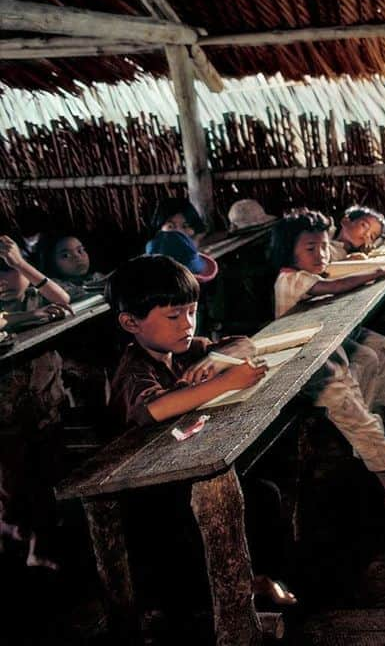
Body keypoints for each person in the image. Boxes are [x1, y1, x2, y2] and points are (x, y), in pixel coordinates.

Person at [105, 254, 296, 606]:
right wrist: (225, 381)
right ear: (131, 322)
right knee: (248, 500)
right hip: (148, 491)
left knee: (265, 489)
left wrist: (213, 359)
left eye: (192, 312)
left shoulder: (180, 351)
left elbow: (245, 344)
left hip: (182, 468)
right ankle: (235, 590)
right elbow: (154, 409)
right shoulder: (133, 370)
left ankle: (260, 578)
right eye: (174, 316)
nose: (187, 324)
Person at [269, 210, 385, 509]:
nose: (322, 254)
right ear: (288, 251)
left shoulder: (309, 271)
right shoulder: (289, 279)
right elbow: (330, 286)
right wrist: (378, 272)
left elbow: (332, 275)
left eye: (324, 246)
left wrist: (367, 267)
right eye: (311, 248)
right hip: (302, 370)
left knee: (372, 352)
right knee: (354, 410)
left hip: (322, 351)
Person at [0, 233, 73, 571]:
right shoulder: (21, 312)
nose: (2, 282)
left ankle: (37, 544)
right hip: (7, 418)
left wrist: (20, 262)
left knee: (48, 474)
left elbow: (64, 299)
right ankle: (23, 540)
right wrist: (28, 319)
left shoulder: (34, 296)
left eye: (6, 271)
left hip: (46, 408)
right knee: (14, 483)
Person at [37, 232, 108, 301]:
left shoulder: (98, 278)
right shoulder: (52, 288)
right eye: (66, 255)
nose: (77, 257)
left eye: (80, 250)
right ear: (51, 262)